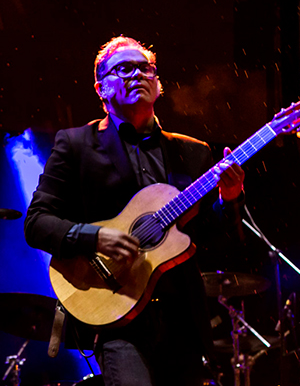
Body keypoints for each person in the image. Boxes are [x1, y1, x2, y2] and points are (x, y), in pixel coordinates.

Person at [24, 36, 245, 386]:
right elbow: (37, 224)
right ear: (101, 88)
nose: (138, 75)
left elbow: (217, 239)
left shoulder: (193, 152)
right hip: (118, 318)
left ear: (157, 84)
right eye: (125, 68)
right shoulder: (76, 145)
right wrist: (95, 236)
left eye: (146, 68)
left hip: (182, 321)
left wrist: (230, 198)